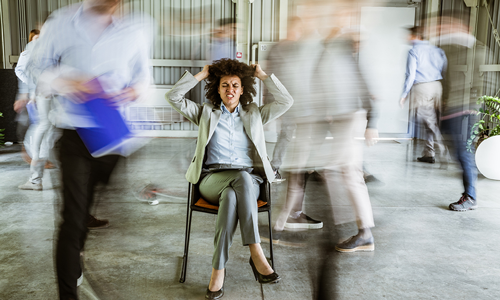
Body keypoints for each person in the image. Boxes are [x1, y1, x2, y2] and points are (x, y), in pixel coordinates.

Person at [27, 0, 151, 298]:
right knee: (72, 215)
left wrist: (129, 92)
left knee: (85, 211)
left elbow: (143, 78)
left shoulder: (135, 29)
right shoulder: (61, 23)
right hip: (73, 132)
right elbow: (35, 68)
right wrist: (69, 83)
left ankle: (77, 248)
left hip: (112, 135)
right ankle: (68, 292)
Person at [166, 59, 292, 299]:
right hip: (213, 179)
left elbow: (286, 101)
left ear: (242, 89)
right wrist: (201, 75)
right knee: (238, 182)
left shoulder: (254, 113)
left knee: (235, 191)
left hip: (249, 182)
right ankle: (256, 251)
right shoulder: (205, 113)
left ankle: (217, 271)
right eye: (225, 85)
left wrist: (263, 76)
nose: (230, 89)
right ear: (218, 88)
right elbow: (173, 97)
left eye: (235, 85)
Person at [265, 16, 324, 238]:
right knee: (295, 155)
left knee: (298, 157)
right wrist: (272, 109)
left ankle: (289, 215)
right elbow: (270, 79)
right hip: (293, 109)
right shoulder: (281, 50)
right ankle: (289, 216)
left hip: (305, 111)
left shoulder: (299, 49)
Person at [400, 26, 447, 164]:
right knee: (430, 121)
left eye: (410, 35)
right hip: (437, 85)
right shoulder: (438, 50)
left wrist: (404, 94)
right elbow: (444, 71)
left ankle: (444, 151)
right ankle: (429, 153)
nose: (407, 38)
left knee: (428, 122)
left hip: (423, 87)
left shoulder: (414, 51)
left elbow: (410, 75)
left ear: (417, 36)